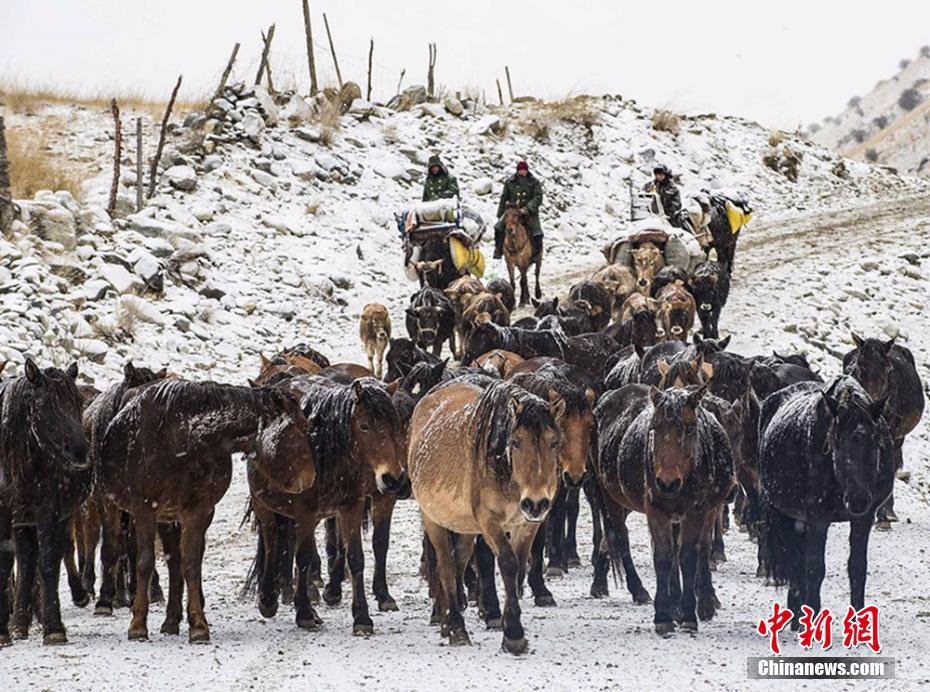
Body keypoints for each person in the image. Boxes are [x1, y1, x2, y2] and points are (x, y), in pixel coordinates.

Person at [494, 160, 543, 261]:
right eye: (521, 170)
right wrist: (501, 214)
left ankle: (535, 255)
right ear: (517, 171)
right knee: (498, 227)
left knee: (537, 233)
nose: (523, 172)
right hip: (512, 211)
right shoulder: (509, 182)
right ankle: (498, 250)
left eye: (524, 170)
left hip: (529, 212)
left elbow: (538, 197)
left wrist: (528, 208)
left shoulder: (534, 182)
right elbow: (504, 198)